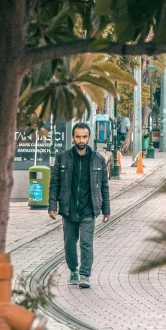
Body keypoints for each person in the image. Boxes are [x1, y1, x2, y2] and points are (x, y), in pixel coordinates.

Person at [48, 122, 110, 289]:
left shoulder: (98, 159)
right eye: (78, 137)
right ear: (73, 138)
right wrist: (52, 205)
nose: (81, 140)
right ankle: (73, 270)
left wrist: (106, 209)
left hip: (89, 209)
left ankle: (84, 274)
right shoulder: (63, 158)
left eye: (84, 137)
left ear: (89, 138)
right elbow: (54, 183)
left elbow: (104, 185)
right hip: (68, 209)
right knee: (69, 243)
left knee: (86, 243)